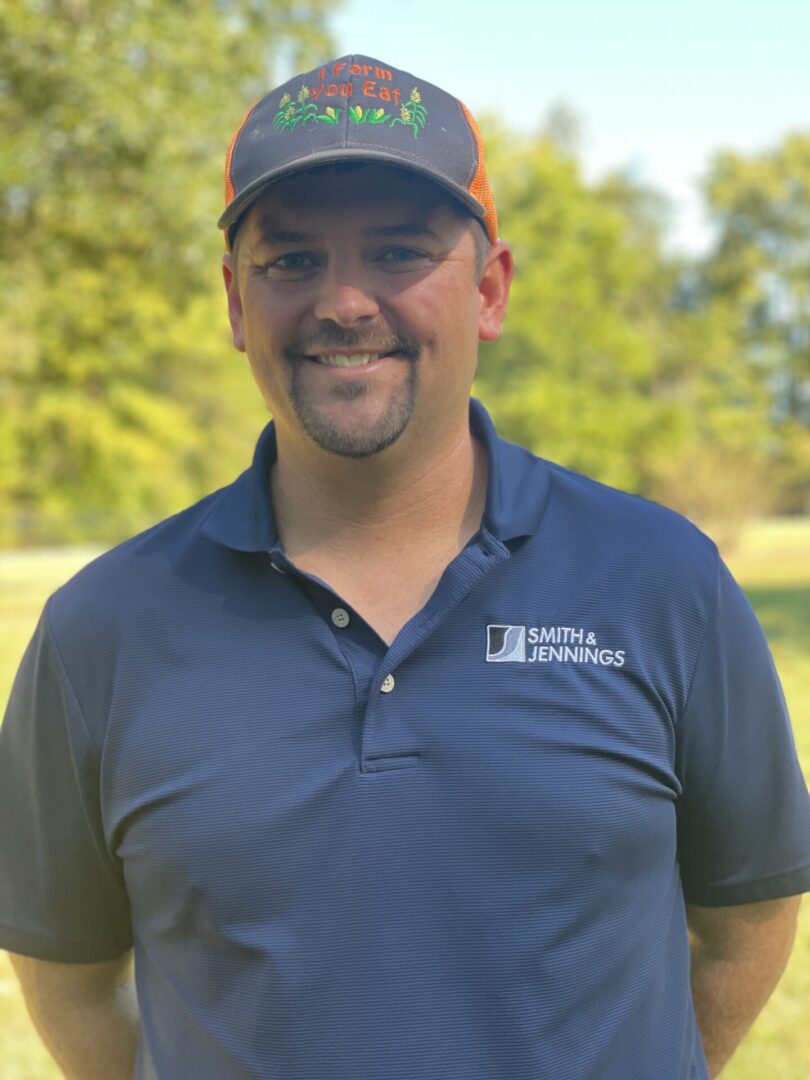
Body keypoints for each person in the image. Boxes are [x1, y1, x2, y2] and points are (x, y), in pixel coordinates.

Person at [1, 54, 809, 1080]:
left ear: (489, 289)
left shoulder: (663, 580)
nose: (344, 303)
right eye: (290, 261)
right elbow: (69, 979)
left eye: (397, 251)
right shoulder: (101, 631)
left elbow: (747, 920)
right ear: (236, 305)